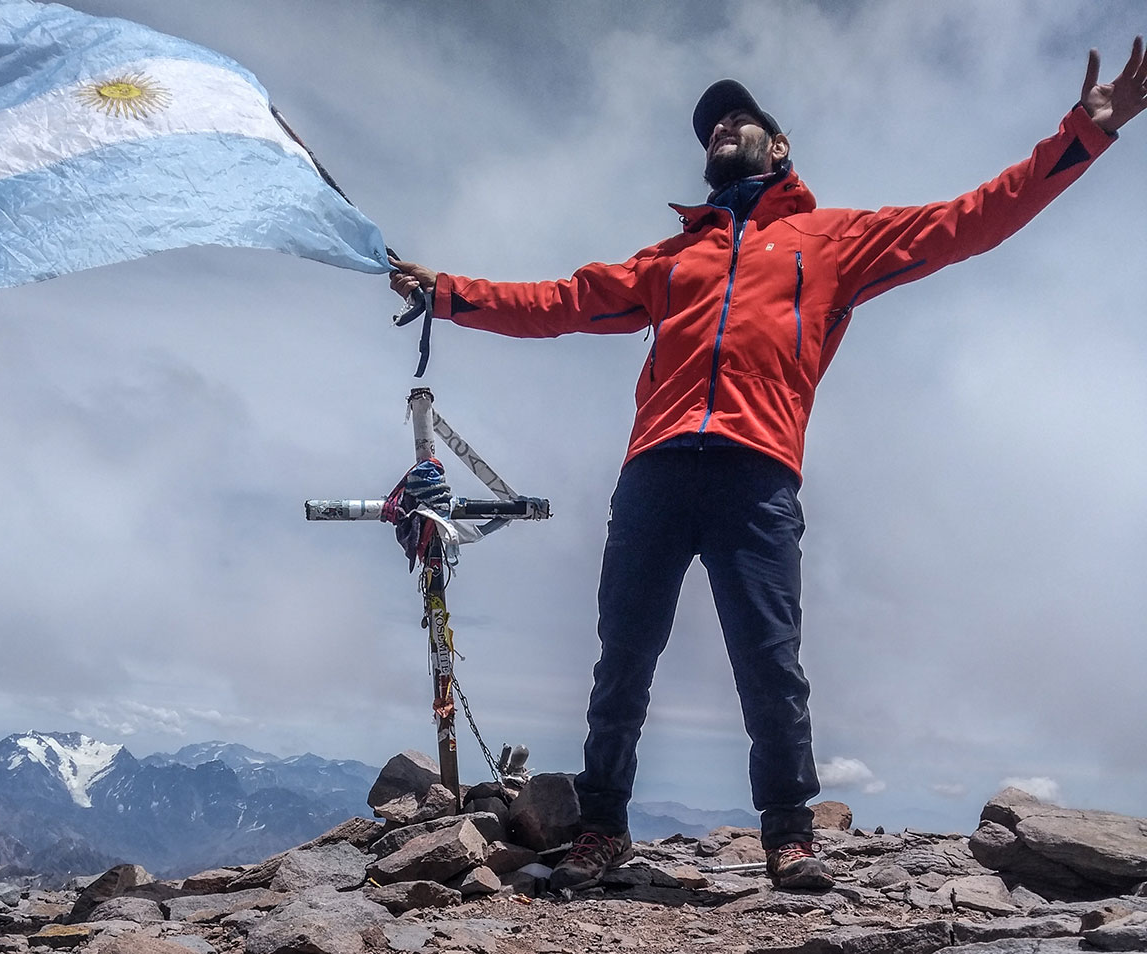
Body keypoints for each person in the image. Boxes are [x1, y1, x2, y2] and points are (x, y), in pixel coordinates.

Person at [389, 38, 1147, 892]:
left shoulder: (832, 241)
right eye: (708, 126)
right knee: (624, 653)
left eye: (735, 120)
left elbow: (973, 218)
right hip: (657, 468)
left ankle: (788, 833)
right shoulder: (670, 260)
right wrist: (448, 293)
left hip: (758, 471)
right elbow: (562, 301)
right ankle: (602, 827)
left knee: (770, 660)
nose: (718, 129)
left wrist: (1084, 134)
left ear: (777, 147)